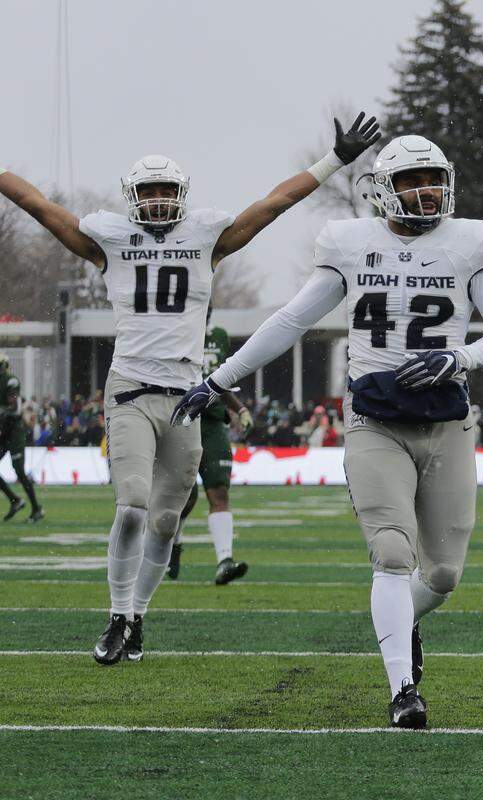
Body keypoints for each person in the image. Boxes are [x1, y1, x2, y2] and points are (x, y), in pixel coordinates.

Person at [0, 111, 381, 665]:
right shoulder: (111, 239)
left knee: (163, 519)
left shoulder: (207, 238)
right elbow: (39, 207)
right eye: (148, 190)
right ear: (132, 196)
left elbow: (271, 205)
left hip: (185, 398)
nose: (157, 200)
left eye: (165, 190)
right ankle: (115, 614)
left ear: (181, 195)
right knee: (131, 505)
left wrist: (334, 161)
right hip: (130, 388)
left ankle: (137, 619)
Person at [172, 135, 483, 729]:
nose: (425, 190)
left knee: (441, 575)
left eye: (433, 178)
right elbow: (291, 320)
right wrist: (220, 377)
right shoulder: (352, 243)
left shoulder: (471, 242)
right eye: (412, 180)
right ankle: (402, 690)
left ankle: (402, 621)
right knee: (391, 550)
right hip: (374, 419)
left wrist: (459, 358)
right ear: (384, 191)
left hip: (447, 419)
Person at [166, 309, 254, 584]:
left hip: (213, 422)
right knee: (185, 496)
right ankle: (173, 543)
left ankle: (224, 560)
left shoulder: (217, 336)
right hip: (180, 419)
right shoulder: (170, 333)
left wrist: (239, 409)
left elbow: (220, 380)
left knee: (219, 491)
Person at [0, 353, 44, 521]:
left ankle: (36, 508)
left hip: (14, 431)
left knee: (19, 470)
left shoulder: (10, 380)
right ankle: (15, 500)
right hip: (3, 431)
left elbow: (16, 409)